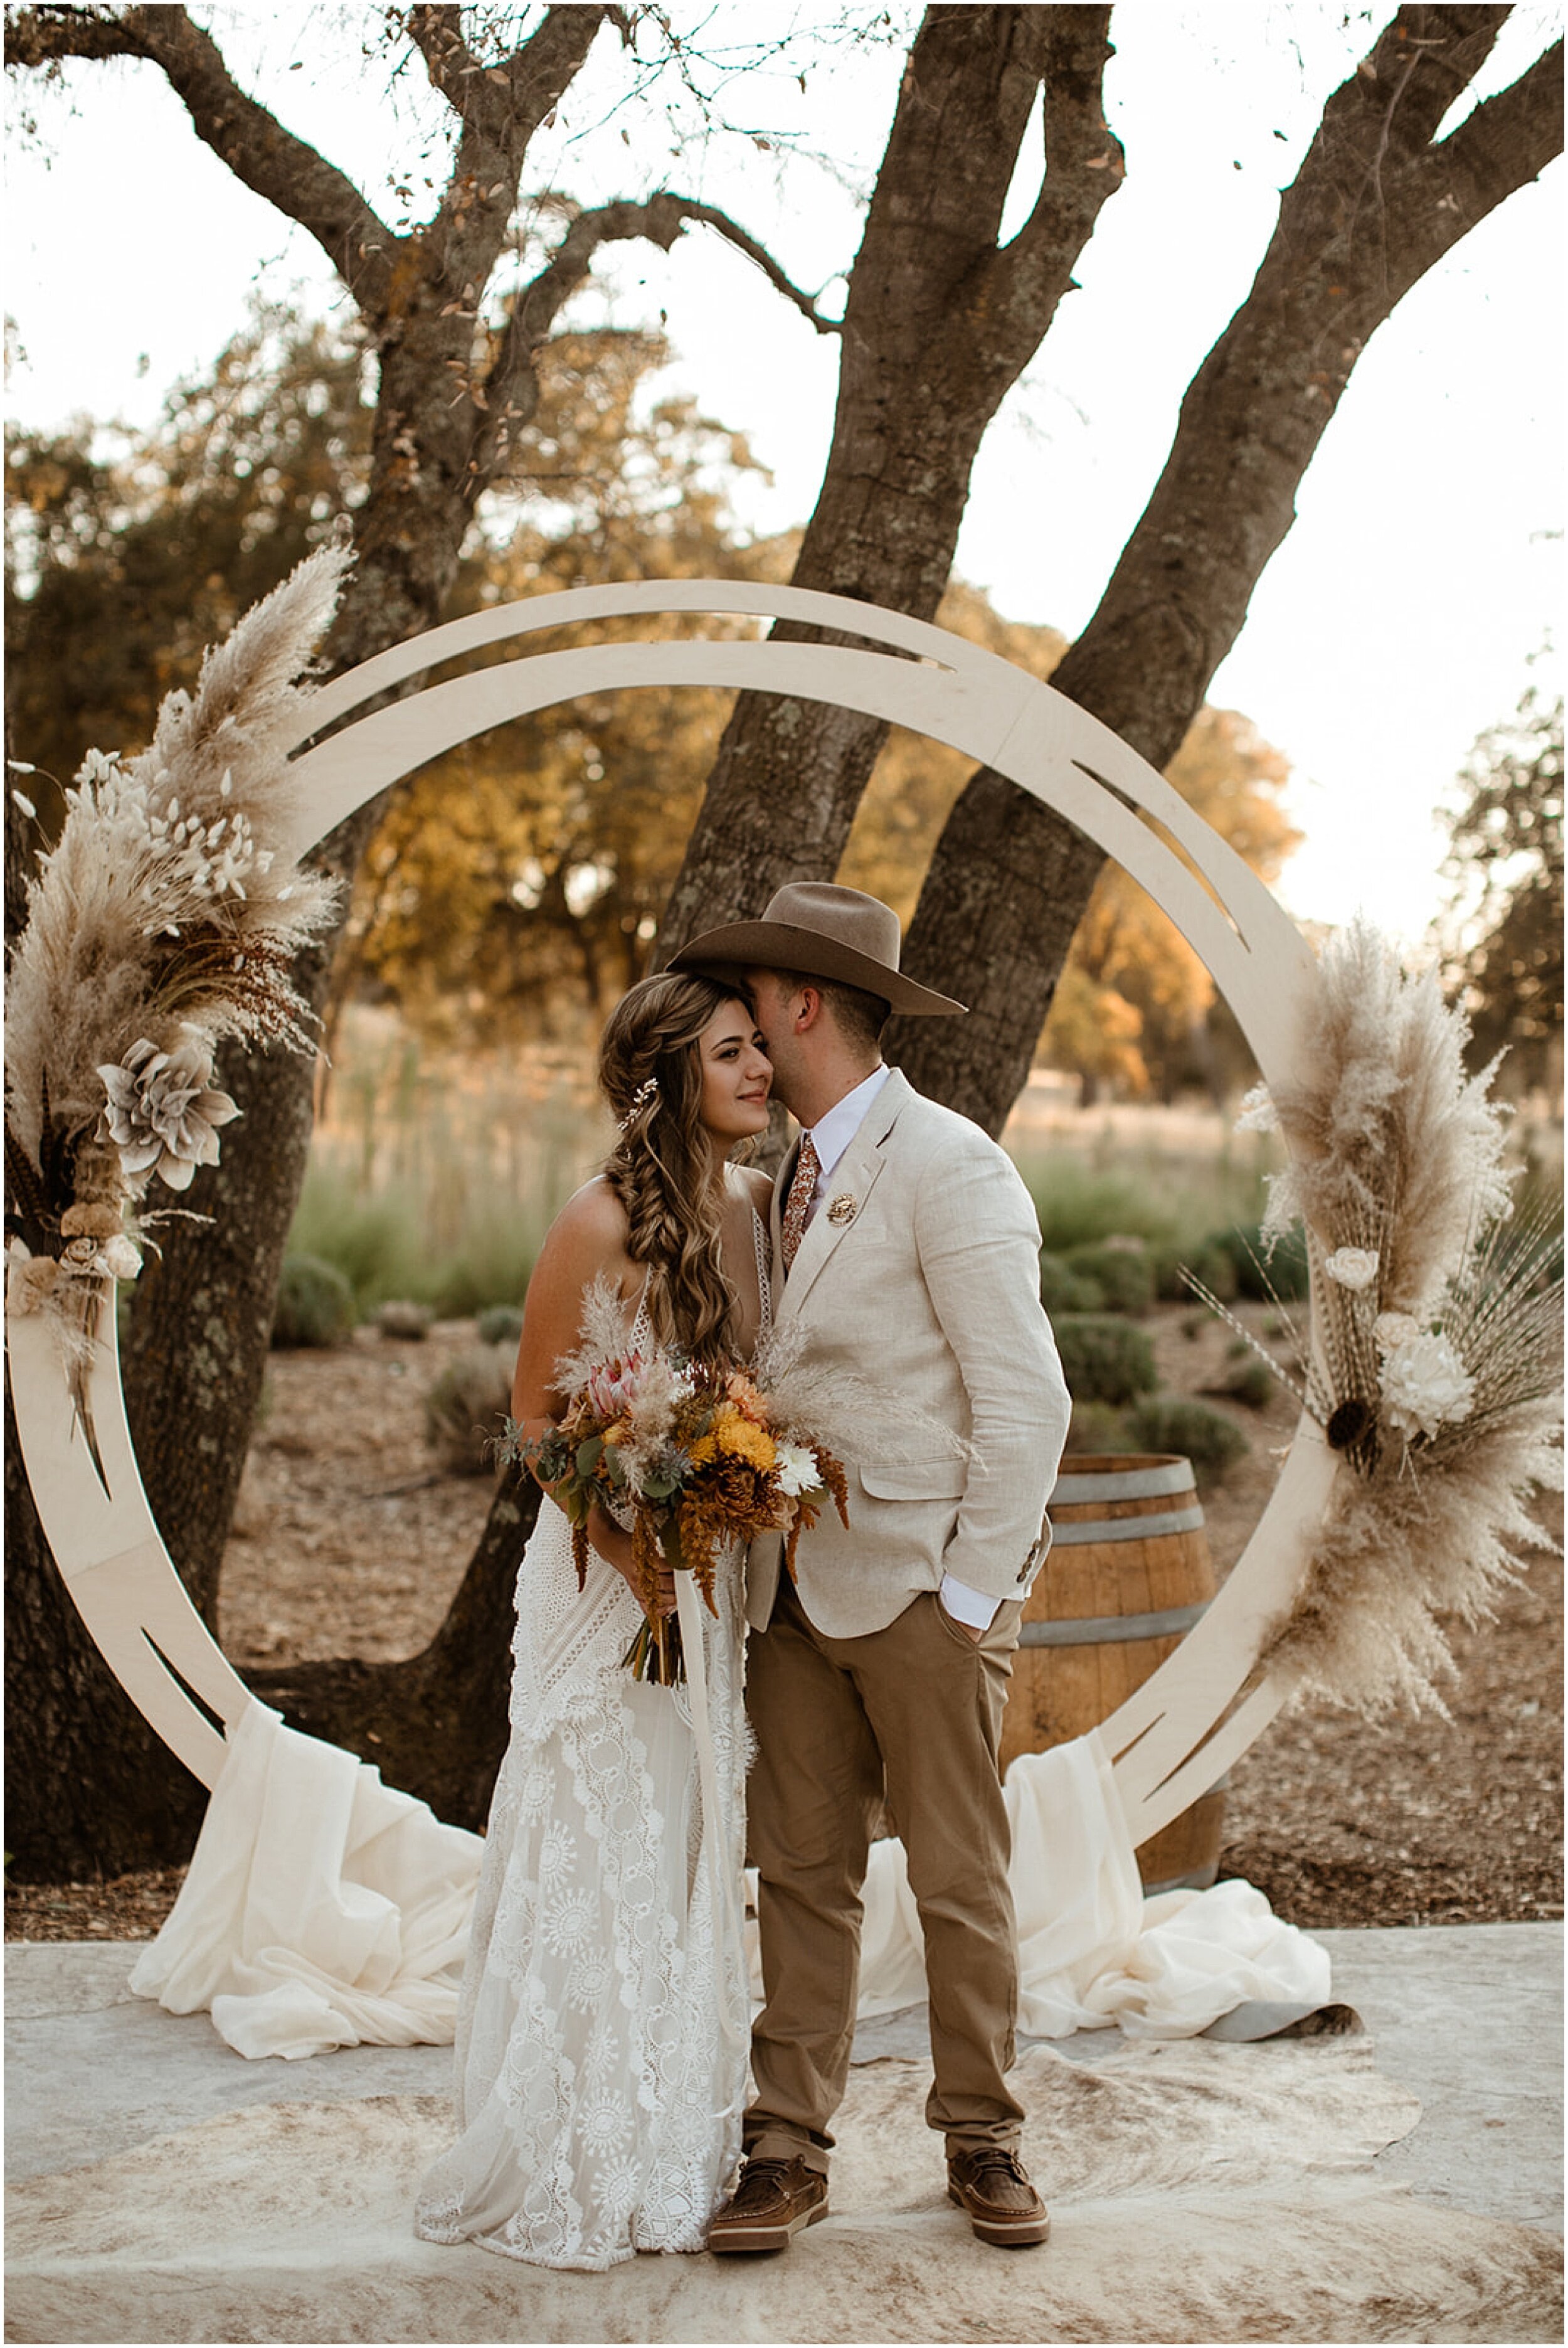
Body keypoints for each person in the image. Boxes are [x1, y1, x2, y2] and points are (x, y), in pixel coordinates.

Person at [670, 882, 1071, 2255]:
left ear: (799, 1008)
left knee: (958, 1873)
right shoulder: (771, 1176)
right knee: (797, 1871)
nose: (738, 1040)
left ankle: (984, 2136)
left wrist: (966, 1597)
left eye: (751, 1014)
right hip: (787, 1587)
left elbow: (1027, 1405)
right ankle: (783, 2148)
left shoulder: (950, 1165)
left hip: (919, 1586)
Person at [414, 972, 775, 2271]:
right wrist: (628, 1547)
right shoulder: (595, 1218)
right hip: (599, 1576)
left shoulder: (742, 1213)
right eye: (730, 1053)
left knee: (682, 1837)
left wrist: (733, 1480)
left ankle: (668, 2137)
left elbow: (739, 1389)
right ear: (671, 1074)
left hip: (705, 1579)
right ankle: (567, 2144)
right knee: (595, 1828)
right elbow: (531, 1423)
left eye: (757, 1051)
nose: (757, 1073)